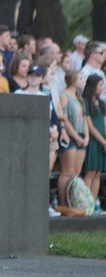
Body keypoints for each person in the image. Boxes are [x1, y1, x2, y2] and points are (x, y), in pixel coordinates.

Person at [58, 70, 88, 207]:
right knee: (67, 171)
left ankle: (73, 203)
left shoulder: (79, 97)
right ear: (72, 80)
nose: (82, 81)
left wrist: (86, 136)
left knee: (76, 172)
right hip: (70, 135)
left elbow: (85, 119)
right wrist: (75, 136)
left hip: (82, 134)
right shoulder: (64, 96)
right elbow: (64, 119)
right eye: (80, 78)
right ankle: (63, 203)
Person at [82, 74, 106, 204]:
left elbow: (104, 122)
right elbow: (90, 126)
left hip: (102, 141)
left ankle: (93, 201)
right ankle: (85, 202)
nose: (102, 88)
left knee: (97, 173)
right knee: (90, 172)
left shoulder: (101, 103)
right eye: (100, 85)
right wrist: (103, 141)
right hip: (93, 140)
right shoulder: (85, 102)